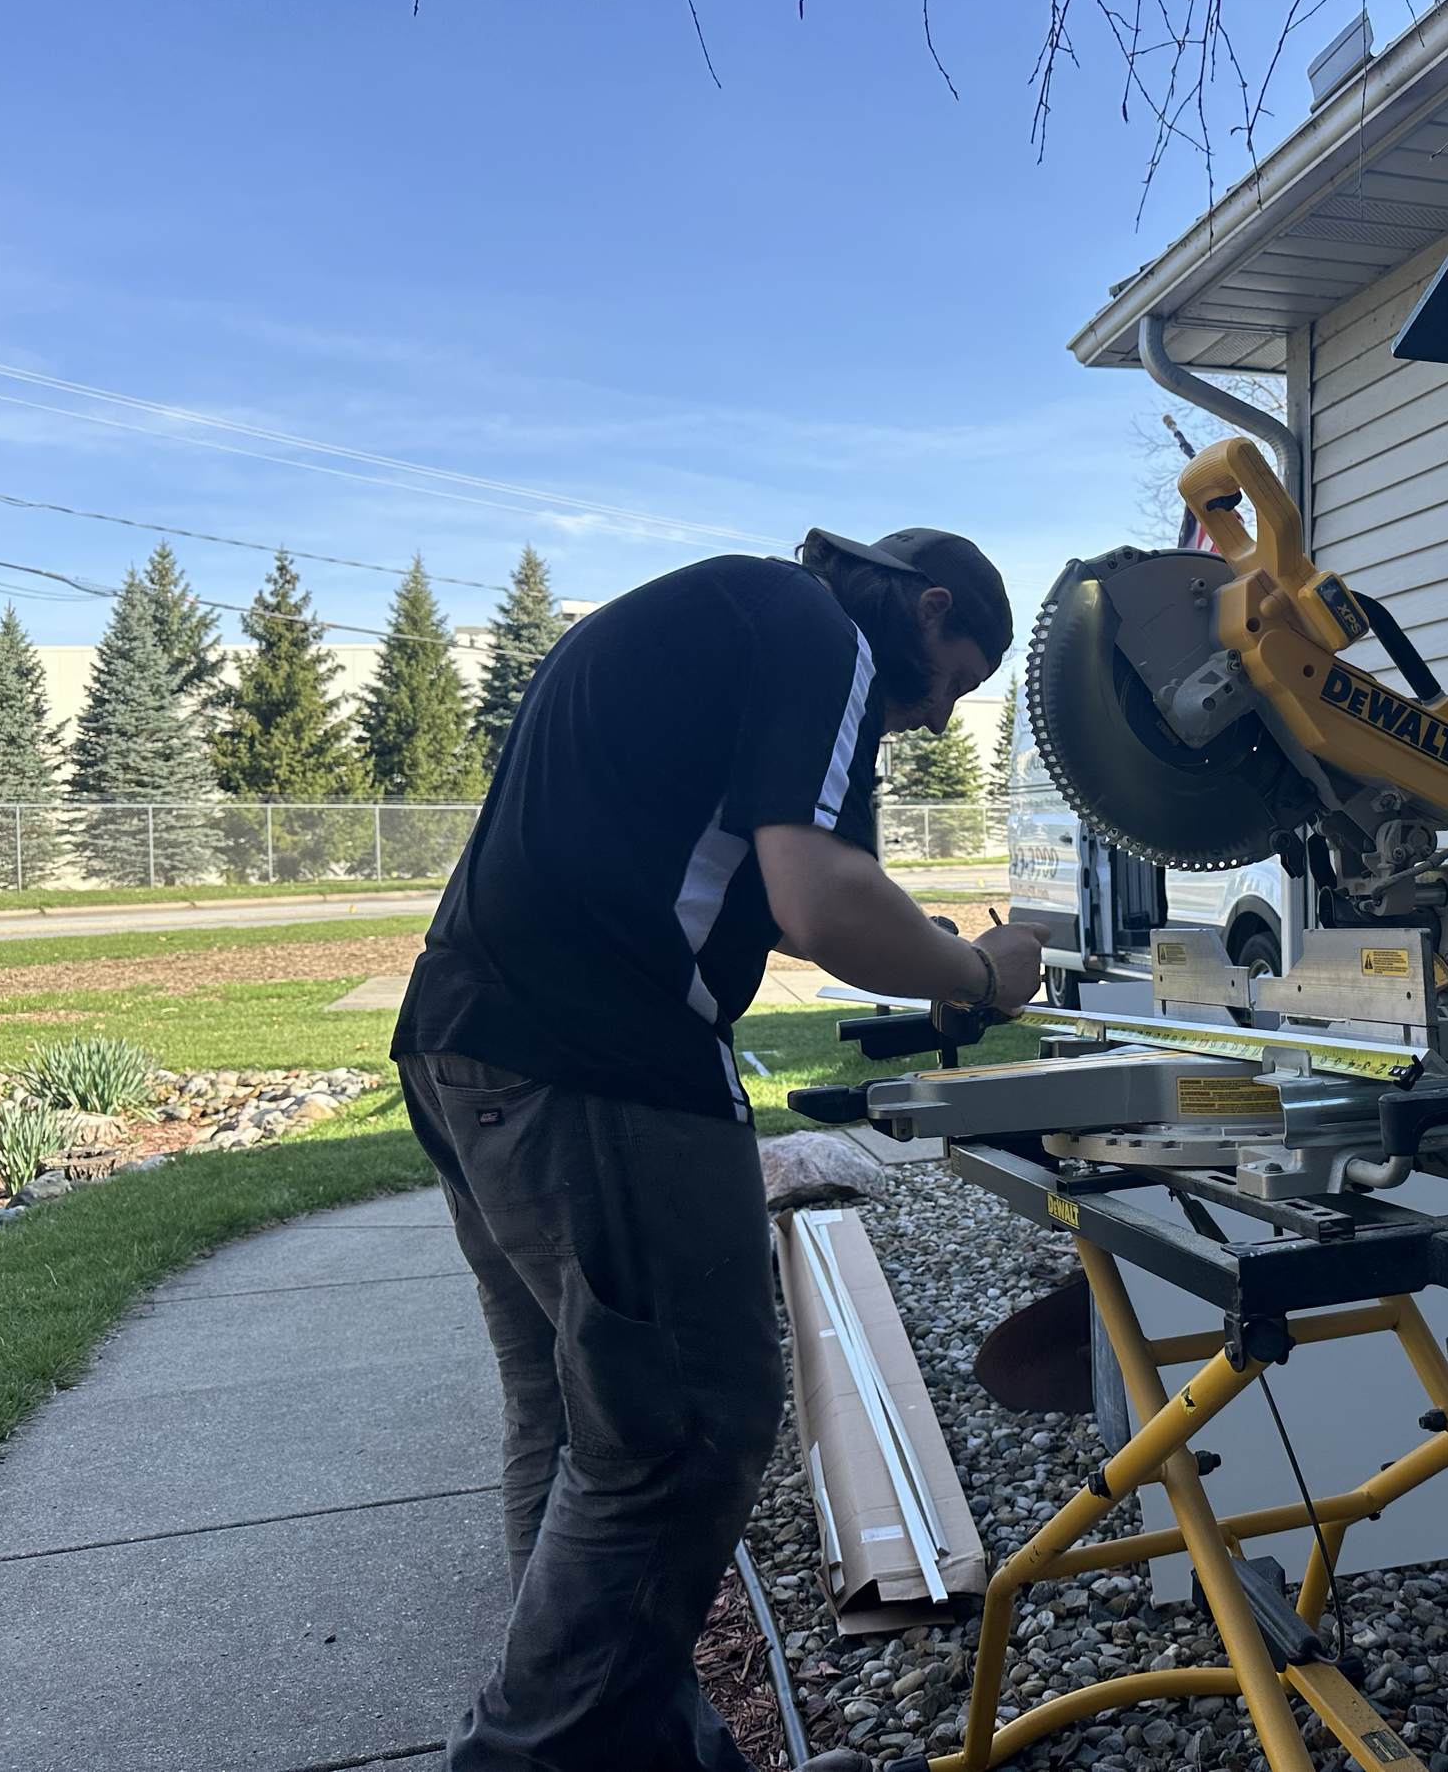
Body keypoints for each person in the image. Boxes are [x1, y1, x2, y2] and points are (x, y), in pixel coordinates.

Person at [393, 527, 1047, 1772]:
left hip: (466, 1045)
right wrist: (983, 970)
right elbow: (822, 893)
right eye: (954, 681)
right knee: (687, 1432)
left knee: (584, 1424)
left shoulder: (725, 619)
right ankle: (521, 1757)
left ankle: (641, 1751)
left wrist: (930, 963)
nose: (930, 716)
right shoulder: (825, 634)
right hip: (604, 1067)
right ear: (930, 608)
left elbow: (759, 894)